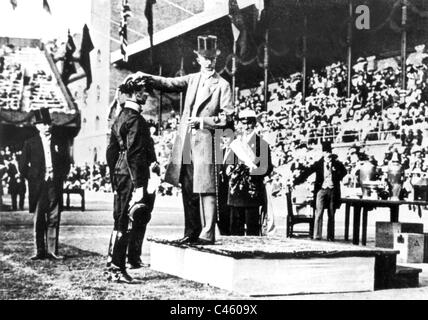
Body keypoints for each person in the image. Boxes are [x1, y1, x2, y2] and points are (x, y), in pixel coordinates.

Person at [129, 35, 233, 245]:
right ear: (199, 59)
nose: (209, 61)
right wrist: (146, 77)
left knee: (206, 187)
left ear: (216, 59)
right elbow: (168, 83)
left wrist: (203, 122)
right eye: (205, 58)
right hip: (186, 141)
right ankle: (191, 232)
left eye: (212, 58)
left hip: (205, 142)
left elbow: (228, 118)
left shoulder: (222, 85)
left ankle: (207, 233)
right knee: (187, 187)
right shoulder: (193, 79)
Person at [106, 77, 157, 283]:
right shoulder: (135, 120)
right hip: (131, 175)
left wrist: (114, 177)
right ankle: (118, 268)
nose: (147, 95)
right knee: (127, 220)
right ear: (136, 93)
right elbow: (135, 153)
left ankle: (113, 266)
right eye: (144, 92)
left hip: (120, 173)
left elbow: (111, 152)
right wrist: (138, 186)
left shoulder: (120, 117)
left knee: (120, 219)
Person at [19, 108, 70, 260]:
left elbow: (66, 162)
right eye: (43, 124)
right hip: (38, 186)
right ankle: (39, 251)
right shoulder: (30, 143)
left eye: (48, 124)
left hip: (54, 184)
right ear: (37, 126)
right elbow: (22, 166)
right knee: (39, 218)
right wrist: (32, 178)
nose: (47, 127)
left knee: (54, 217)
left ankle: (53, 251)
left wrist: (60, 176)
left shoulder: (59, 142)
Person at [226, 109, 273, 236]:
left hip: (252, 189)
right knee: (235, 228)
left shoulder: (262, 144)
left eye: (249, 123)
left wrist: (254, 171)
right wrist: (229, 167)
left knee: (252, 227)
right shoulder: (236, 143)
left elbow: (267, 168)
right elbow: (229, 161)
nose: (246, 126)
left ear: (254, 124)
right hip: (236, 191)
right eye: (243, 123)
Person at [293, 141, 346, 241]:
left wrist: (337, 177)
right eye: (326, 152)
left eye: (329, 152)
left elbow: (344, 171)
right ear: (323, 153)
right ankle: (317, 235)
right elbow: (307, 172)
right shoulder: (318, 164)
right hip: (321, 190)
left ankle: (330, 236)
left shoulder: (336, 164)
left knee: (331, 213)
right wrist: (296, 181)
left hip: (332, 190)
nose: (328, 155)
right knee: (319, 212)